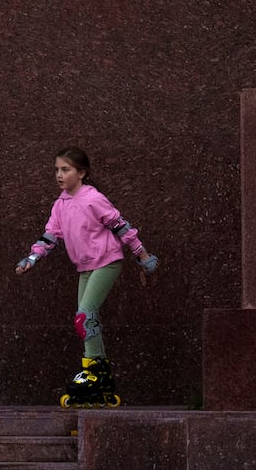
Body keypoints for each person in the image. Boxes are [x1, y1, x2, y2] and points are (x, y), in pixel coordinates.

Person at [15, 146, 159, 408]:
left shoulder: (93, 199)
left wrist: (142, 254)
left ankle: (94, 373)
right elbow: (51, 236)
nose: (59, 175)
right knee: (83, 321)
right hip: (85, 267)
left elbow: (121, 227)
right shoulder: (60, 204)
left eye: (65, 169)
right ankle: (98, 372)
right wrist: (32, 259)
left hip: (107, 262)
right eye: (57, 170)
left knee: (85, 316)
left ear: (81, 173)